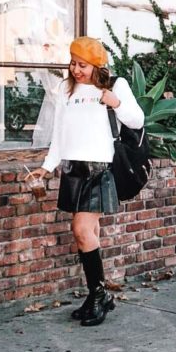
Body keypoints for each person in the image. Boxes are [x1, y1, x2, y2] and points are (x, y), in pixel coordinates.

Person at [30, 36, 144, 327]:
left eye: (83, 65)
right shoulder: (65, 89)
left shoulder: (114, 85)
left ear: (97, 65)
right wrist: (46, 168)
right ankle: (99, 294)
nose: (76, 69)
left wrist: (115, 102)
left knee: (81, 230)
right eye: (73, 63)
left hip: (99, 168)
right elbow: (59, 134)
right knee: (88, 232)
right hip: (72, 170)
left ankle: (98, 293)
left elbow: (136, 121)